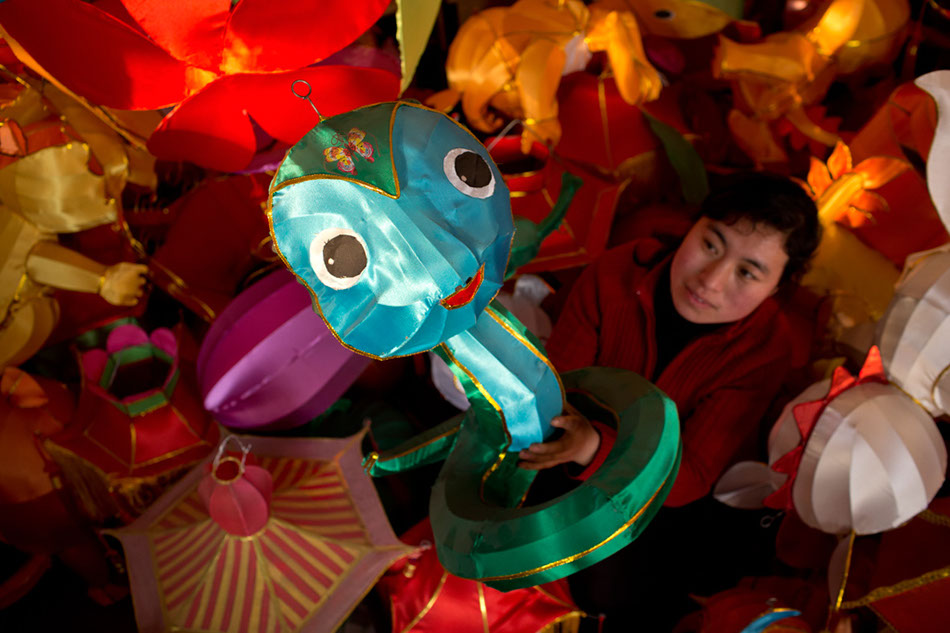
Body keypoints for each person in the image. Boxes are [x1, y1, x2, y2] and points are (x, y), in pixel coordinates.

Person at [518, 171, 821, 630]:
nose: (710, 280)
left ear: (777, 287)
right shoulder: (618, 273)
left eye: (747, 272)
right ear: (692, 225)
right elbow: (554, 389)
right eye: (711, 244)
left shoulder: (765, 350)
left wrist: (594, 449)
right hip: (561, 448)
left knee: (606, 590)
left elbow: (691, 475)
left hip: (658, 501)